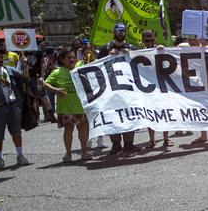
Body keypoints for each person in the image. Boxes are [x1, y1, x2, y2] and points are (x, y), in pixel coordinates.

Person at [44, 48, 92, 162]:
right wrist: (56, 90)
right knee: (68, 130)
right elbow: (46, 84)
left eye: (73, 57)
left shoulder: (79, 70)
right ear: (62, 60)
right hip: (66, 108)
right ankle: (68, 154)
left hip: (80, 107)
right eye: (69, 57)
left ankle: (84, 152)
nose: (72, 59)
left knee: (83, 130)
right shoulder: (57, 72)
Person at [98, 23, 138, 154]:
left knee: (129, 114)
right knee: (113, 115)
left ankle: (128, 143)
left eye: (123, 31)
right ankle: (116, 144)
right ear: (114, 32)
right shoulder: (106, 48)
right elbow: (97, 67)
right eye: (118, 31)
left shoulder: (131, 47)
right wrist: (108, 56)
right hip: (110, 88)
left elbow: (139, 66)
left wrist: (130, 55)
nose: (121, 34)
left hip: (128, 87)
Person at [139, 30, 174, 149]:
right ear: (143, 40)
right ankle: (152, 140)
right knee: (150, 113)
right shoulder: (138, 52)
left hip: (161, 87)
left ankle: (166, 139)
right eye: (147, 40)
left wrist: (162, 50)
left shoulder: (159, 49)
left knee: (164, 113)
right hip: (147, 88)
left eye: (152, 40)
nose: (150, 42)